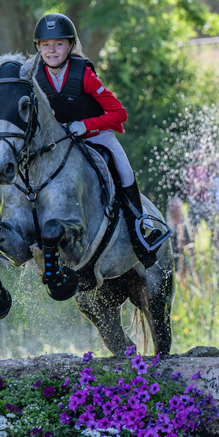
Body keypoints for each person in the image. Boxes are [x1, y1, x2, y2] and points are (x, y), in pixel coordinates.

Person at [32, 13, 169, 265]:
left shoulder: (83, 74)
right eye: (45, 44)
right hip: (59, 143)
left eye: (58, 43)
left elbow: (120, 113)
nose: (51, 50)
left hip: (95, 136)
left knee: (125, 171)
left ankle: (142, 229)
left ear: (71, 45)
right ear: (38, 48)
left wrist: (85, 125)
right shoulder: (35, 78)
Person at [167, 197, 195, 275]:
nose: (174, 210)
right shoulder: (169, 228)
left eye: (176, 208)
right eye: (173, 208)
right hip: (175, 261)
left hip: (186, 261)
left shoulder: (186, 226)